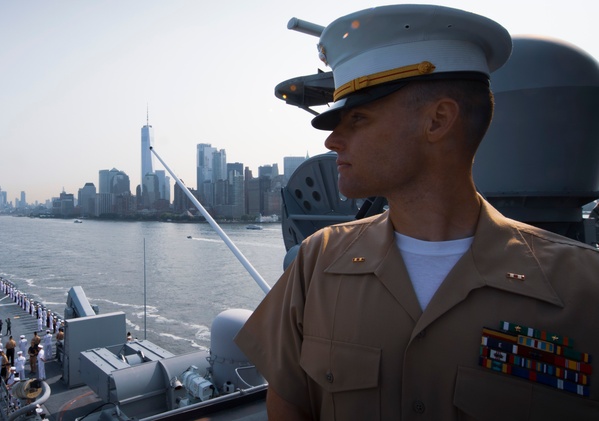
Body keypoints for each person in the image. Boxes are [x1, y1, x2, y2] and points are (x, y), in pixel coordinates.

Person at [234, 4, 599, 420]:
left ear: (437, 120)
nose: (333, 140)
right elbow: (289, 405)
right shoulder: (317, 262)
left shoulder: (584, 290)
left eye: (358, 118)